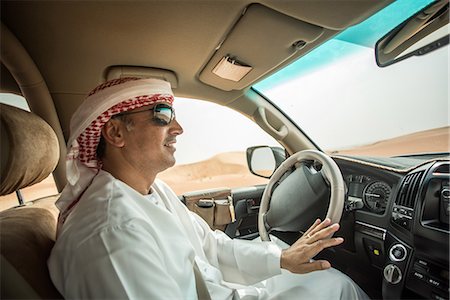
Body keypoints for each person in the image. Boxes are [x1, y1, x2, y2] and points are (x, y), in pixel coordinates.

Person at [48, 77, 368, 299]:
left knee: (324, 279)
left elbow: (212, 248)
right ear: (116, 133)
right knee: (337, 287)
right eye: (161, 115)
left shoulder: (150, 191)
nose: (178, 128)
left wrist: (283, 259)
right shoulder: (110, 233)